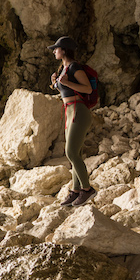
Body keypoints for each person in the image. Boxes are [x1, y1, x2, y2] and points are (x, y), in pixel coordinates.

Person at [48, 36, 96, 207]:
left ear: (64, 50)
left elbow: (87, 88)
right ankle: (75, 191)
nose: (54, 51)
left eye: (56, 48)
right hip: (69, 111)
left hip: (79, 111)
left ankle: (87, 189)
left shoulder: (74, 67)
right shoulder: (64, 68)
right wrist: (55, 83)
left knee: (71, 152)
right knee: (76, 153)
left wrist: (67, 82)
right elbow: (64, 88)